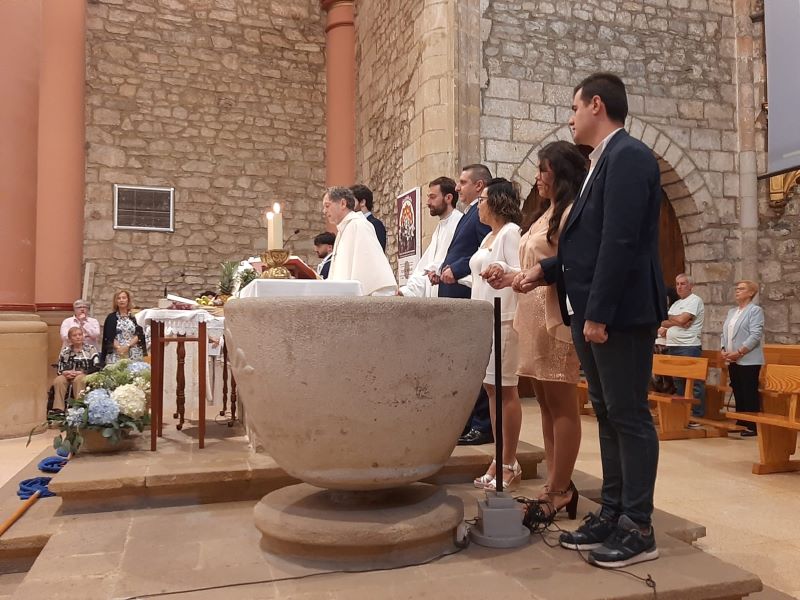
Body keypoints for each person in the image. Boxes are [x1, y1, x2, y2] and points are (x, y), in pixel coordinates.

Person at [518, 73, 666, 568]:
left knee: (629, 415)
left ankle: (639, 526)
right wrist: (545, 269)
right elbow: (585, 245)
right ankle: (615, 509)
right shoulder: (599, 165)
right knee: (606, 413)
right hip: (595, 311)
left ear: (596, 105)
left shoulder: (629, 157)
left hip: (620, 313)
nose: (570, 116)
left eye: (574, 107)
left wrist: (598, 312)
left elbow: (620, 243)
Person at [506, 141, 587, 522]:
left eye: (544, 170)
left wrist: (532, 276)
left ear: (561, 174)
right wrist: (510, 276)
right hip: (531, 310)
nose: (537, 178)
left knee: (562, 401)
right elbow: (534, 262)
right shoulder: (545, 213)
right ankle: (557, 482)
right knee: (544, 402)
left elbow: (570, 262)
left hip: (554, 311)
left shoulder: (573, 211)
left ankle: (561, 488)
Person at [466, 178, 523, 490]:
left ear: (499, 201)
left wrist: (502, 269)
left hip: (505, 319)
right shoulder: (489, 235)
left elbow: (519, 272)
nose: (479, 204)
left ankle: (507, 461)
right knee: (491, 388)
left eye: (483, 198)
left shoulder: (511, 232)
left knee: (505, 389)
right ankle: (501, 457)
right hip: (484, 317)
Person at [438, 164, 493, 446]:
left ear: (479, 185)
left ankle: (482, 424)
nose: (457, 187)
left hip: (465, 295)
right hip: (455, 291)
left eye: (462, 182)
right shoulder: (470, 212)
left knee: (473, 363)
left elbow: (484, 247)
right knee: (462, 365)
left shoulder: (481, 214)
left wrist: (457, 268)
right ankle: (469, 421)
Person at [324, 187, 397, 296]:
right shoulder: (343, 230)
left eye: (327, 206)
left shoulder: (359, 226)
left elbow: (375, 273)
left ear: (343, 203)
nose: (324, 211)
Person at [398, 177, 463, 297]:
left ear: (448, 198)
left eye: (432, 197)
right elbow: (425, 268)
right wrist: (405, 291)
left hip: (452, 296)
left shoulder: (459, 223)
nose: (428, 202)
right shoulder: (439, 228)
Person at [721, 280, 765, 437]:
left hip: (749, 359)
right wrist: (724, 349)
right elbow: (724, 332)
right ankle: (741, 421)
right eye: (737, 288)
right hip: (732, 359)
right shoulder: (732, 312)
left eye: (741, 289)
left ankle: (752, 425)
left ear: (751, 293)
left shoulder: (755, 310)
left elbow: (755, 335)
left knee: (748, 390)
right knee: (737, 389)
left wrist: (739, 352)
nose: (737, 291)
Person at [658, 274, 705, 418]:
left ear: (691, 286)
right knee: (679, 382)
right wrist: (677, 321)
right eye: (677, 284)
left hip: (688, 346)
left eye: (683, 284)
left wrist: (674, 320)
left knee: (694, 383)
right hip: (673, 346)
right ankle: (682, 414)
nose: (679, 287)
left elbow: (683, 319)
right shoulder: (676, 304)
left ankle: (697, 414)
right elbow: (662, 322)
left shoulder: (695, 300)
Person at [53, 326, 101, 411]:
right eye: (74, 335)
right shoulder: (65, 351)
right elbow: (60, 368)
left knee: (79, 379)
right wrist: (65, 372)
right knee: (59, 380)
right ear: (70, 339)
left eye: (80, 334)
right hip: (68, 376)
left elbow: (97, 366)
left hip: (85, 375)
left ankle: (79, 407)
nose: (78, 337)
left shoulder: (91, 349)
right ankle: (58, 409)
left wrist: (83, 372)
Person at [102, 289, 147, 364]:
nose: (121, 300)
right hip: (117, 352)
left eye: (124, 298)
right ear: (116, 301)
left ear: (128, 300)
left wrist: (127, 346)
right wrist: (119, 348)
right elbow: (109, 336)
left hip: (133, 351)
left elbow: (140, 333)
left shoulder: (135, 316)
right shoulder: (111, 317)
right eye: (119, 298)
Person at [351, 184, 387, 251]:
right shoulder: (353, 225)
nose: (349, 205)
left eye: (352, 201)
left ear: (362, 202)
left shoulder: (375, 224)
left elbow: (378, 252)